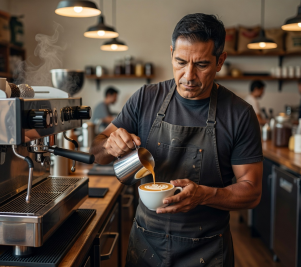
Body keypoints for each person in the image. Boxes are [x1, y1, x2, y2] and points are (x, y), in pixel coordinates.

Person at [90, 13, 263, 266]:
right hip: (146, 245)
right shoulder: (145, 98)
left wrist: (204, 195)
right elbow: (96, 152)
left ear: (220, 61)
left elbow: (252, 192)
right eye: (180, 62)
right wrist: (108, 144)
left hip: (207, 250)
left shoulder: (239, 114)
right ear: (171, 53)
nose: (188, 76)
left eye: (201, 65)